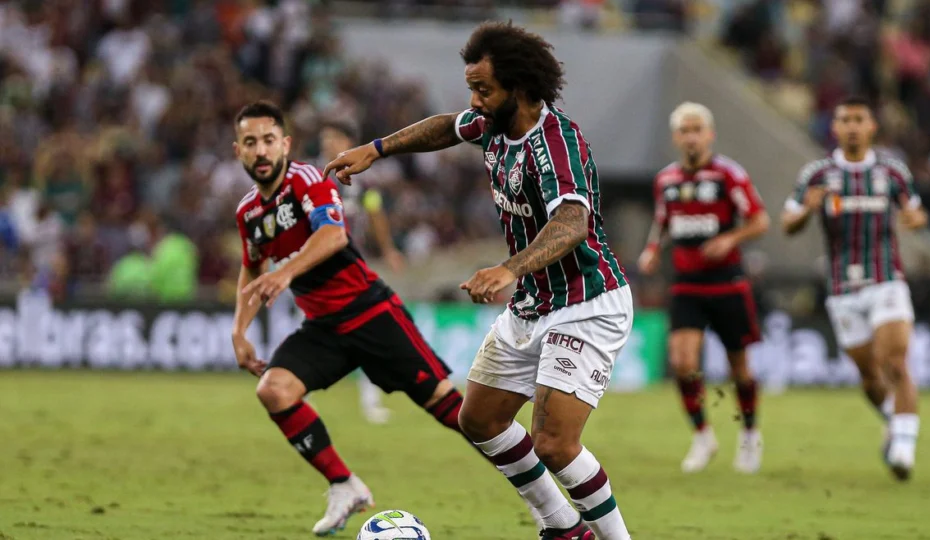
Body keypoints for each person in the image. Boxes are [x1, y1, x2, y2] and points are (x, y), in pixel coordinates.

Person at [325, 21, 632, 540]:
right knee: (480, 419)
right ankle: (563, 529)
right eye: (472, 87)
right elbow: (447, 126)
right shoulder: (491, 122)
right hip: (535, 302)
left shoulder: (556, 145)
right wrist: (376, 150)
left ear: (520, 87)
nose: (475, 100)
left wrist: (508, 269)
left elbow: (573, 223)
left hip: (588, 301)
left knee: (555, 443)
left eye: (484, 89)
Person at [230, 101, 473, 536]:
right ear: (239, 152)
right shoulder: (249, 213)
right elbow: (251, 267)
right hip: (323, 328)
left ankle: (530, 473)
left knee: (453, 411)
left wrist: (284, 272)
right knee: (275, 390)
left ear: (284, 144)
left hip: (369, 311)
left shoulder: (308, 180)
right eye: (251, 143)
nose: (261, 150)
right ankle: (344, 485)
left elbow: (333, 234)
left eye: (268, 140)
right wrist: (239, 330)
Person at [782, 95, 927, 481]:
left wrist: (914, 218)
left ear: (871, 126)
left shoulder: (892, 171)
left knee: (894, 361)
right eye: (844, 119)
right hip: (842, 288)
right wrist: (807, 211)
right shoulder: (817, 174)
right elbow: (788, 222)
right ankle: (894, 420)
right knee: (869, 375)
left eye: (858, 119)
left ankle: (903, 449)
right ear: (835, 127)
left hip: (887, 280)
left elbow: (915, 209)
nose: (851, 126)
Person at [639, 102, 769, 474]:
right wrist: (651, 250)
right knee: (682, 362)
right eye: (685, 130)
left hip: (727, 283)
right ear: (676, 137)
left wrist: (730, 239)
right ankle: (703, 436)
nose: (692, 136)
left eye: (698, 129)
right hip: (687, 284)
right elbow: (662, 222)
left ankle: (748, 434)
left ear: (709, 134)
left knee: (738, 367)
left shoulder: (729, 175)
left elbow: (760, 220)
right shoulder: (666, 180)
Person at [320, 119, 406, 425]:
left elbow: (375, 213)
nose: (328, 143)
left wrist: (388, 250)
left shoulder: (365, 181)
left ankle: (370, 401)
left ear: (349, 141)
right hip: (318, 266)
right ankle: (292, 391)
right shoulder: (316, 178)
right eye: (325, 138)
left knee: (367, 328)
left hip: (351, 264)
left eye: (334, 137)